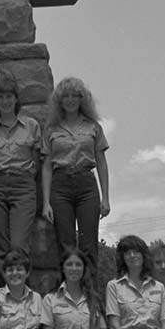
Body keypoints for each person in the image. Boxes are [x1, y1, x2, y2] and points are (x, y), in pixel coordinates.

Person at [0, 75, 42, 277]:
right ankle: (7, 290)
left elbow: (37, 159)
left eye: (9, 96)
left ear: (16, 99)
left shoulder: (31, 125)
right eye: (0, 97)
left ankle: (20, 289)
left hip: (23, 185)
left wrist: (28, 175)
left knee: (18, 243)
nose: (5, 101)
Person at [40, 76, 110, 260]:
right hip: (60, 185)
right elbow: (46, 166)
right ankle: (69, 288)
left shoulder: (93, 127)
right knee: (65, 243)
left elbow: (101, 162)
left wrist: (106, 198)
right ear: (59, 101)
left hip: (86, 184)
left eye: (75, 96)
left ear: (82, 99)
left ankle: (90, 288)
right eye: (66, 96)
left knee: (89, 243)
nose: (70, 100)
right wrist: (46, 202)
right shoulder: (51, 129)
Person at [105, 235, 165, 329]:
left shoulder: (159, 287)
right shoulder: (113, 286)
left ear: (144, 255)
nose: (132, 256)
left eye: (136, 251)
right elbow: (114, 325)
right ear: (122, 258)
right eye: (127, 253)